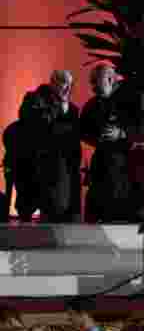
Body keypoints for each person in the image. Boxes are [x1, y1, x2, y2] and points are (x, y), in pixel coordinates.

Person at [80, 64, 144, 223]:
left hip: (128, 167)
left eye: (96, 82)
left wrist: (122, 133)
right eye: (92, 83)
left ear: (110, 79)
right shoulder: (93, 103)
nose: (93, 87)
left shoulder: (134, 97)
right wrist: (97, 138)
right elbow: (82, 130)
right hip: (101, 165)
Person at [16, 70, 80, 222]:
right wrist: (60, 109)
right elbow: (36, 125)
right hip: (38, 157)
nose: (68, 88)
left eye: (71, 84)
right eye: (65, 83)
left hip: (63, 160)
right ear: (53, 82)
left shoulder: (72, 109)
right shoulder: (34, 98)